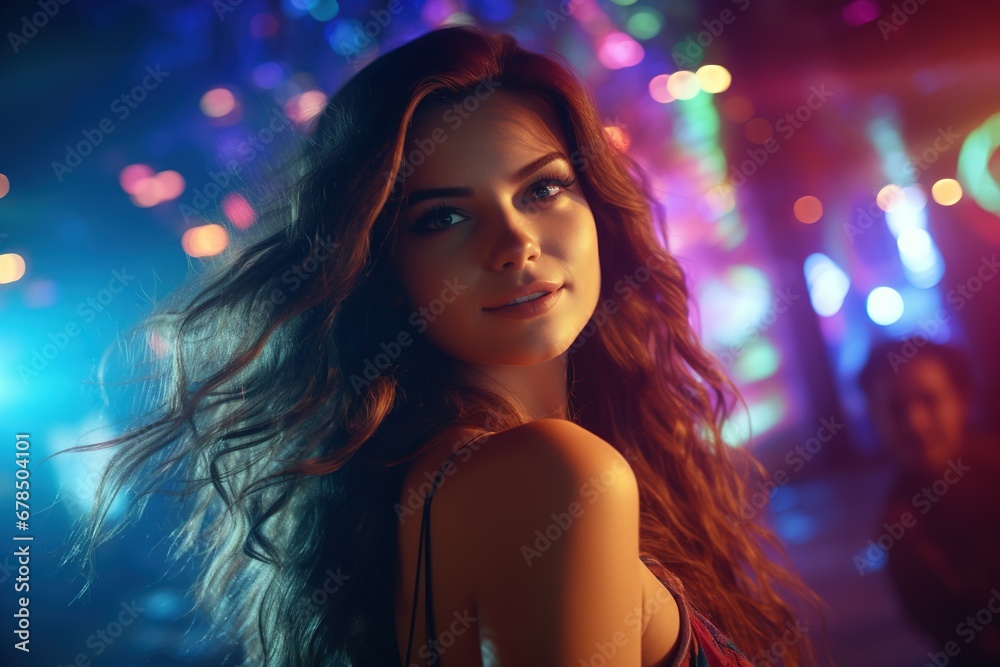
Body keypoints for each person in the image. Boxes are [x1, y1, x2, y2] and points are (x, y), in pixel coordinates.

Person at [64, 25, 824, 666]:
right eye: (442, 218)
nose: (516, 242)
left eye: (542, 188)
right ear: (381, 267)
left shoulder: (423, 480)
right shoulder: (552, 478)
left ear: (597, 203)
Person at [859, 337, 1000, 664]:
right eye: (895, 408)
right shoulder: (900, 528)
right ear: (874, 418)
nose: (915, 423)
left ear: (963, 400)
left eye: (929, 400)